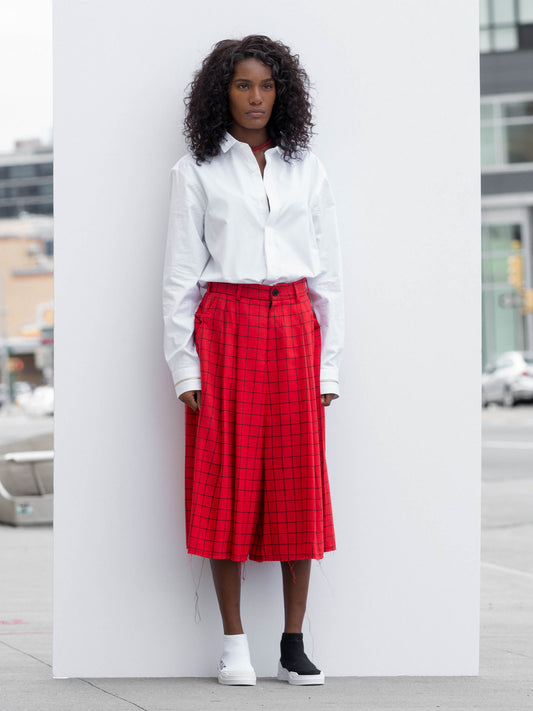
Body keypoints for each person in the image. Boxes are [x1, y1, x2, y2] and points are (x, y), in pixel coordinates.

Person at [162, 34, 344, 686]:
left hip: (295, 326)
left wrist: (329, 366)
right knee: (224, 484)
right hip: (226, 328)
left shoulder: (308, 169)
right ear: (223, 93)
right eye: (243, 85)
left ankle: (292, 642)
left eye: (266, 85)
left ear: (282, 93)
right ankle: (233, 643)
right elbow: (180, 278)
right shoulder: (199, 171)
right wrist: (185, 366)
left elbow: (329, 278)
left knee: (299, 483)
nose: (255, 97)